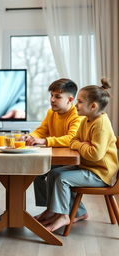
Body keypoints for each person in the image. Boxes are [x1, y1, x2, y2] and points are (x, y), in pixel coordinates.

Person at [37, 78, 118, 232]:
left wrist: (79, 144)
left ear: (93, 106)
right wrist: (81, 144)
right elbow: (73, 140)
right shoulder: (86, 120)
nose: (75, 105)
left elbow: (94, 154)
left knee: (62, 178)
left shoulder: (101, 124)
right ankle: (54, 211)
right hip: (88, 167)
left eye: (79, 102)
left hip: (100, 173)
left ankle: (63, 215)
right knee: (53, 173)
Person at [23, 78, 82, 207]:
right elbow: (41, 130)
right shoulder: (51, 113)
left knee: (51, 174)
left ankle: (57, 211)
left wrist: (44, 141)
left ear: (70, 100)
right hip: (57, 157)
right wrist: (30, 137)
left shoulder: (77, 115)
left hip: (74, 160)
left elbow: (71, 138)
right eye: (51, 95)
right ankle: (49, 208)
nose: (52, 100)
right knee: (36, 172)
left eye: (57, 97)